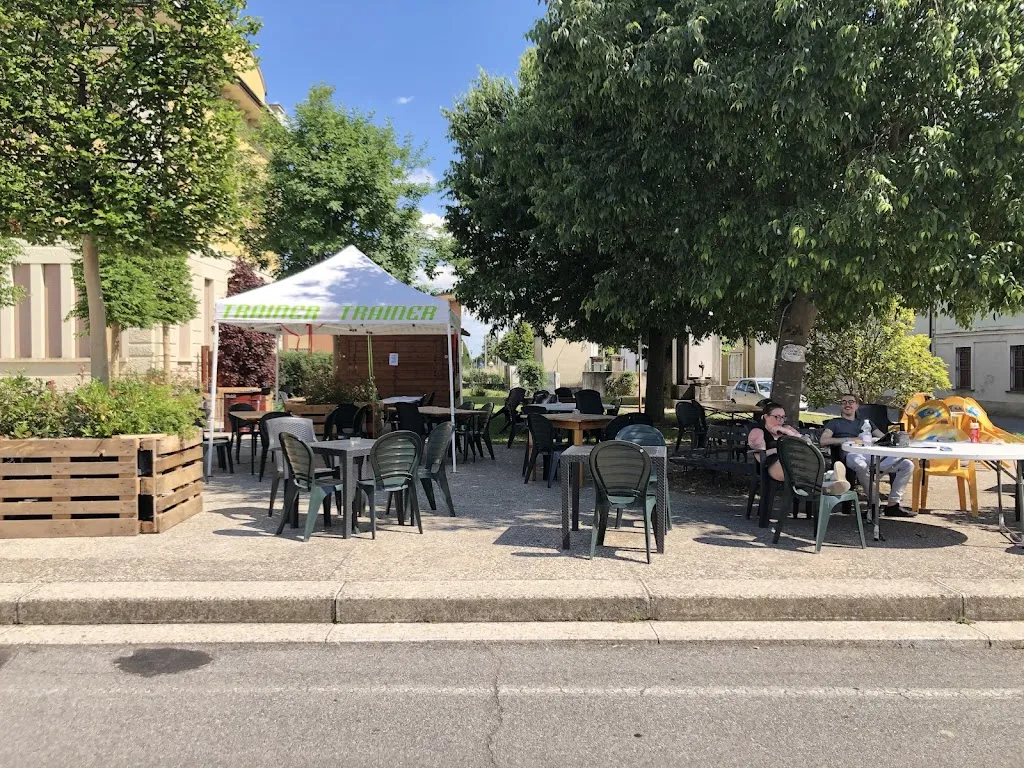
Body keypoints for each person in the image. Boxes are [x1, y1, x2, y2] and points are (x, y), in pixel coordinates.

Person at [820, 394, 916, 517]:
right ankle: (875, 504)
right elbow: (824, 440)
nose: (847, 404)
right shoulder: (835, 423)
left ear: (857, 405)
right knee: (861, 466)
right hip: (851, 454)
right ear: (840, 406)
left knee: (907, 465)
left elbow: (883, 438)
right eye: (844, 402)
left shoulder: (866, 422)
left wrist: (888, 440)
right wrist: (850, 439)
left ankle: (893, 505)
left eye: (851, 401)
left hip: (872, 453)